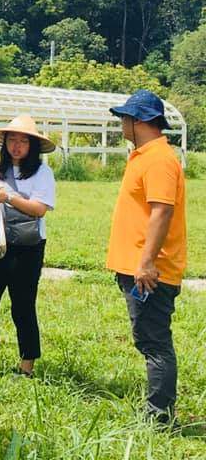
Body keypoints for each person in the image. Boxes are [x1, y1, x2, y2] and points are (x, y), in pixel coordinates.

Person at [106, 90, 187, 424]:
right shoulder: (144, 156)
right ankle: (157, 412)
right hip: (139, 267)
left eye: (124, 118)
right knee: (149, 340)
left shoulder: (159, 160)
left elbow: (161, 212)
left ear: (138, 120)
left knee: (154, 343)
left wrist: (146, 262)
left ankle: (158, 418)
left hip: (150, 271)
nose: (121, 124)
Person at [0, 115, 56, 377]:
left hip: (27, 248)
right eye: (12, 140)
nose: (17, 146)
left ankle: (26, 366)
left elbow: (39, 209)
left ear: (33, 146)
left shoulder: (42, 173)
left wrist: (8, 197)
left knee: (22, 305)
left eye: (23, 141)